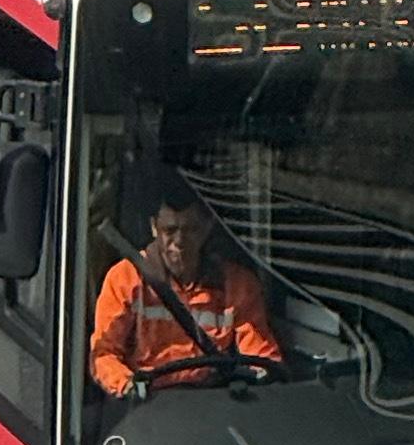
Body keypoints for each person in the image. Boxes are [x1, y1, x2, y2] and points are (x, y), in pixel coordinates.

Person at [89, 158, 283, 396]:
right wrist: (127, 385)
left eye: (190, 230)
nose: (179, 242)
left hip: (212, 401)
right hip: (146, 403)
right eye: (170, 231)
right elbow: (103, 354)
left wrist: (263, 380)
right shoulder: (125, 278)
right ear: (153, 228)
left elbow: (261, 356)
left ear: (207, 227)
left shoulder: (238, 284)